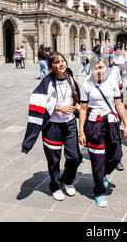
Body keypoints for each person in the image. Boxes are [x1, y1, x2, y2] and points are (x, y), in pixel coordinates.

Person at [21, 52, 82, 201]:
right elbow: (37, 102)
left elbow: (76, 97)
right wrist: (57, 108)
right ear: (51, 66)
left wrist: (77, 105)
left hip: (69, 125)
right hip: (52, 127)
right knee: (54, 160)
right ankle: (55, 185)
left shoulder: (71, 79)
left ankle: (67, 180)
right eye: (56, 62)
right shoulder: (47, 82)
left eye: (62, 61)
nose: (61, 64)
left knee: (74, 157)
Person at [78, 55, 127, 208]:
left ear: (106, 67)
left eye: (101, 67)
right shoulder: (86, 85)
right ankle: (99, 191)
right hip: (94, 126)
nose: (98, 71)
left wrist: (126, 125)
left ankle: (103, 175)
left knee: (116, 156)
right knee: (97, 160)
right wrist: (81, 132)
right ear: (91, 69)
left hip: (112, 123)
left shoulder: (113, 82)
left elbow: (119, 105)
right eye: (95, 68)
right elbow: (83, 109)